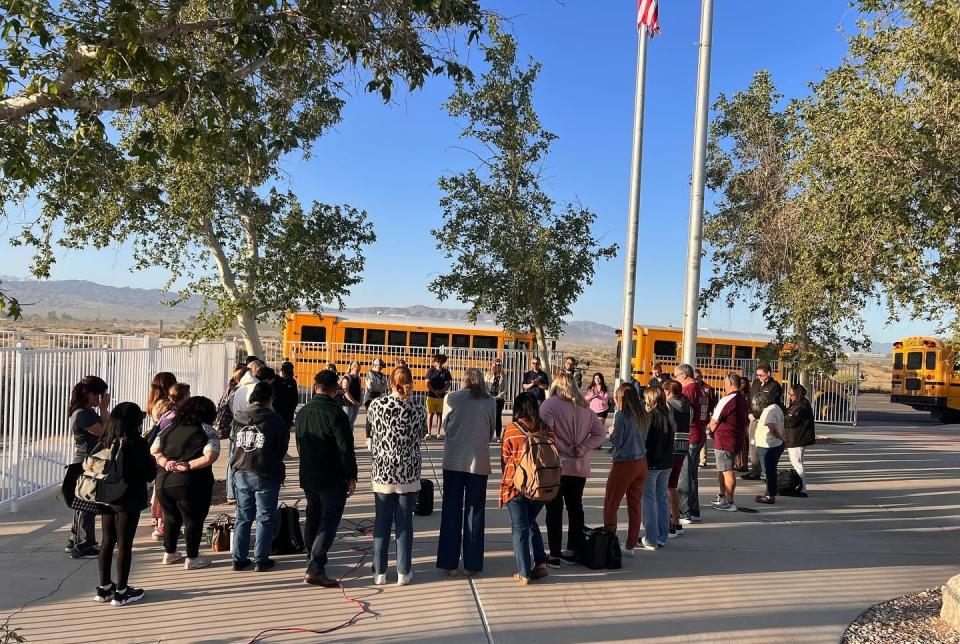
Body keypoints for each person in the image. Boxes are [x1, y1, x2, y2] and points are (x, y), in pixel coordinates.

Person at [296, 370, 358, 588]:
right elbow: (345, 449)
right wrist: (351, 474)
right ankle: (315, 566)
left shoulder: (303, 412)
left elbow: (299, 444)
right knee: (329, 519)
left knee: (313, 515)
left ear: (315, 387)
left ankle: (313, 559)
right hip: (331, 476)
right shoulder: (336, 414)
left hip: (309, 473)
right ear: (336, 390)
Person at [368, 366, 427, 585]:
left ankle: (379, 572)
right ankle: (403, 570)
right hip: (408, 470)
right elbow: (421, 434)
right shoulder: (418, 408)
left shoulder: (376, 405)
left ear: (390, 382)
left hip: (383, 470)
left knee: (382, 522)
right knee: (404, 523)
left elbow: (373, 430)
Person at [540, 372, 605, 567]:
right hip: (579, 465)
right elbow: (599, 433)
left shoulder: (549, 405)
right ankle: (572, 550)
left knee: (554, 509)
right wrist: (583, 447)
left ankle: (553, 554)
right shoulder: (585, 408)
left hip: (557, 465)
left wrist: (565, 447)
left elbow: (547, 433)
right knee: (576, 507)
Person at [94, 402, 156, 607]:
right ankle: (122, 591)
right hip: (128, 498)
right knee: (124, 544)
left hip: (105, 496)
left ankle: (104, 588)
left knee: (107, 541)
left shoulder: (105, 440)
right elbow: (149, 475)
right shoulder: (137, 443)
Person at [436, 368, 496, 576]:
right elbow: (491, 431)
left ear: (464, 381)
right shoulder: (490, 401)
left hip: (453, 460)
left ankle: (449, 562)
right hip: (478, 462)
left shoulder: (451, 397)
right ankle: (472, 563)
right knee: (475, 511)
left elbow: (445, 425)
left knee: (451, 510)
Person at [152, 396, 220, 570]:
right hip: (192, 482)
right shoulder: (206, 430)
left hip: (164, 482)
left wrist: (166, 462)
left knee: (170, 517)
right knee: (193, 519)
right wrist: (188, 465)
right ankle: (192, 557)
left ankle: (170, 553)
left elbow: (154, 450)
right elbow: (210, 455)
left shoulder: (168, 429)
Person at [230, 382, 290, 572]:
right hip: (266, 470)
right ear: (270, 399)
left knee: (243, 516)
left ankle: (238, 558)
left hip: (241, 469)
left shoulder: (238, 417)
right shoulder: (274, 420)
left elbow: (234, 443)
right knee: (265, 516)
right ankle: (261, 558)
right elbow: (282, 448)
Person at [500, 392, 550, 584]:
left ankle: (524, 571)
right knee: (530, 522)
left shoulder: (511, 429)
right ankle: (540, 563)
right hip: (541, 486)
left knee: (519, 527)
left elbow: (505, 459)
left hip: (518, 486)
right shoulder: (546, 428)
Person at [602, 384, 649, 556]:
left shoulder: (622, 415)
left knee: (611, 503)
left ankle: (609, 541)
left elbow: (618, 441)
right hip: (641, 462)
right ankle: (630, 545)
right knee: (634, 505)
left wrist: (611, 432)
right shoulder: (643, 414)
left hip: (624, 462)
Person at [67, 375, 110, 558]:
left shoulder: (85, 411)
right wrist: (104, 409)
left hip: (90, 463)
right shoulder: (83, 414)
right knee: (86, 505)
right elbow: (106, 434)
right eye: (100, 395)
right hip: (86, 464)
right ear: (91, 394)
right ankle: (84, 545)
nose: (102, 398)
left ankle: (75, 540)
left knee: (83, 504)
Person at [641, 386, 676, 550]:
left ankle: (651, 537)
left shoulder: (650, 417)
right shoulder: (668, 416)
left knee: (649, 499)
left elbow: (647, 442)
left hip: (652, 462)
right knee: (662, 498)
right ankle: (662, 535)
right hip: (667, 462)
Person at [674, 364, 709, 525]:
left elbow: (684, 413)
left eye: (676, 376)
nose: (675, 379)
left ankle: (685, 512)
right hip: (700, 434)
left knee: (684, 476)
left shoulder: (688, 391)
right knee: (692, 476)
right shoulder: (701, 389)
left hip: (690, 436)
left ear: (684, 375)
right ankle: (694, 511)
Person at [707, 374, 748, 512]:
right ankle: (722, 496)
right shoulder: (742, 399)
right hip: (736, 439)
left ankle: (730, 502)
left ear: (730, 383)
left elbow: (714, 421)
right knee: (723, 469)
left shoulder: (727, 399)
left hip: (725, 439)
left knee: (727, 471)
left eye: (724, 383)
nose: (723, 386)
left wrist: (710, 433)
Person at [744, 364, 785, 480]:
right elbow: (750, 398)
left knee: (765, 445)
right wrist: (749, 413)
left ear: (768, 373)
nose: (759, 377)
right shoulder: (756, 383)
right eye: (757, 375)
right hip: (753, 419)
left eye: (761, 375)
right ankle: (755, 471)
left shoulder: (775, 386)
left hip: (765, 420)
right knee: (753, 445)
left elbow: (769, 402)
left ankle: (765, 472)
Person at [664, 380, 690, 537]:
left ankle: (670, 524)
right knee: (672, 485)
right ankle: (677, 521)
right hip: (683, 445)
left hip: (669, 447)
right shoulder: (688, 407)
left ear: (667, 391)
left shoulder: (667, 406)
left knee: (665, 487)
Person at [753, 392, 785, 504]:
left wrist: (782, 438)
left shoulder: (770, 411)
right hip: (773, 445)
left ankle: (770, 495)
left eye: (757, 404)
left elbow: (773, 428)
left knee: (769, 472)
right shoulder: (776, 408)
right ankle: (769, 494)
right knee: (771, 471)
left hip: (769, 446)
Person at [784, 384, 816, 496]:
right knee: (796, 463)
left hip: (797, 438)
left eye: (792, 395)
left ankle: (802, 489)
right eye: (789, 394)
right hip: (794, 437)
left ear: (797, 394)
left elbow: (791, 421)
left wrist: (783, 419)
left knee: (797, 463)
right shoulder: (797, 403)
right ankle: (799, 486)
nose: (790, 397)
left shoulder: (802, 405)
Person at [364, 358, 390, 449]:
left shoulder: (382, 375)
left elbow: (385, 386)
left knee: (378, 418)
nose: (381, 368)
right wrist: (380, 387)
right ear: (374, 365)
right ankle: (368, 438)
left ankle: (376, 436)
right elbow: (371, 386)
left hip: (378, 397)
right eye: (380, 366)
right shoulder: (369, 374)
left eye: (382, 367)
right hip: (370, 398)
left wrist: (379, 387)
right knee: (369, 418)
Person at [425, 354, 452, 438]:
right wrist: (434, 391)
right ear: (435, 362)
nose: (439, 364)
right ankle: (429, 433)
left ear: (443, 362)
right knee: (430, 414)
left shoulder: (446, 372)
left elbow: (448, 384)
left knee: (439, 414)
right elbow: (427, 383)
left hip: (441, 396)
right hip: (431, 395)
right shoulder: (430, 371)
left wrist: (441, 391)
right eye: (437, 362)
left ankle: (438, 433)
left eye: (441, 362)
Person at [695, 369, 717, 467]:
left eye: (697, 378)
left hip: (704, 415)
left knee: (702, 436)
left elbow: (712, 401)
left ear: (700, 377)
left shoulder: (707, 388)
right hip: (695, 415)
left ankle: (702, 459)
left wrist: (709, 413)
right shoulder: (692, 388)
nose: (695, 380)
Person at [272, 361, 300, 430]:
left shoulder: (292, 381)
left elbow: (295, 397)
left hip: (288, 412)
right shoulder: (276, 380)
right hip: (277, 411)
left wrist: (293, 407)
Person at [485, 360, 507, 442]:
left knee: (498, 417)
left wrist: (499, 396)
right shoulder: (488, 375)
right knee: (488, 417)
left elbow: (505, 389)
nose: (497, 366)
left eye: (499, 365)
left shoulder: (503, 376)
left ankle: (498, 436)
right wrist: (489, 395)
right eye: (496, 365)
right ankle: (488, 435)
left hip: (499, 399)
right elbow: (485, 386)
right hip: (489, 399)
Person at [735, 377, 753, 472]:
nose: (742, 385)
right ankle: (737, 463)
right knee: (736, 443)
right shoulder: (735, 395)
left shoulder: (749, 395)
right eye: (740, 383)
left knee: (745, 445)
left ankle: (744, 464)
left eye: (744, 383)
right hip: (736, 421)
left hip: (746, 422)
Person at [338, 361, 363, 428]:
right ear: (352, 368)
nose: (358, 372)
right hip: (348, 403)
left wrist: (360, 400)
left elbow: (360, 390)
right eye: (357, 370)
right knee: (347, 422)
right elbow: (345, 391)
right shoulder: (347, 377)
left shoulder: (358, 378)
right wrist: (353, 401)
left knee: (352, 422)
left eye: (359, 370)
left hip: (356, 403)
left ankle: (350, 437)